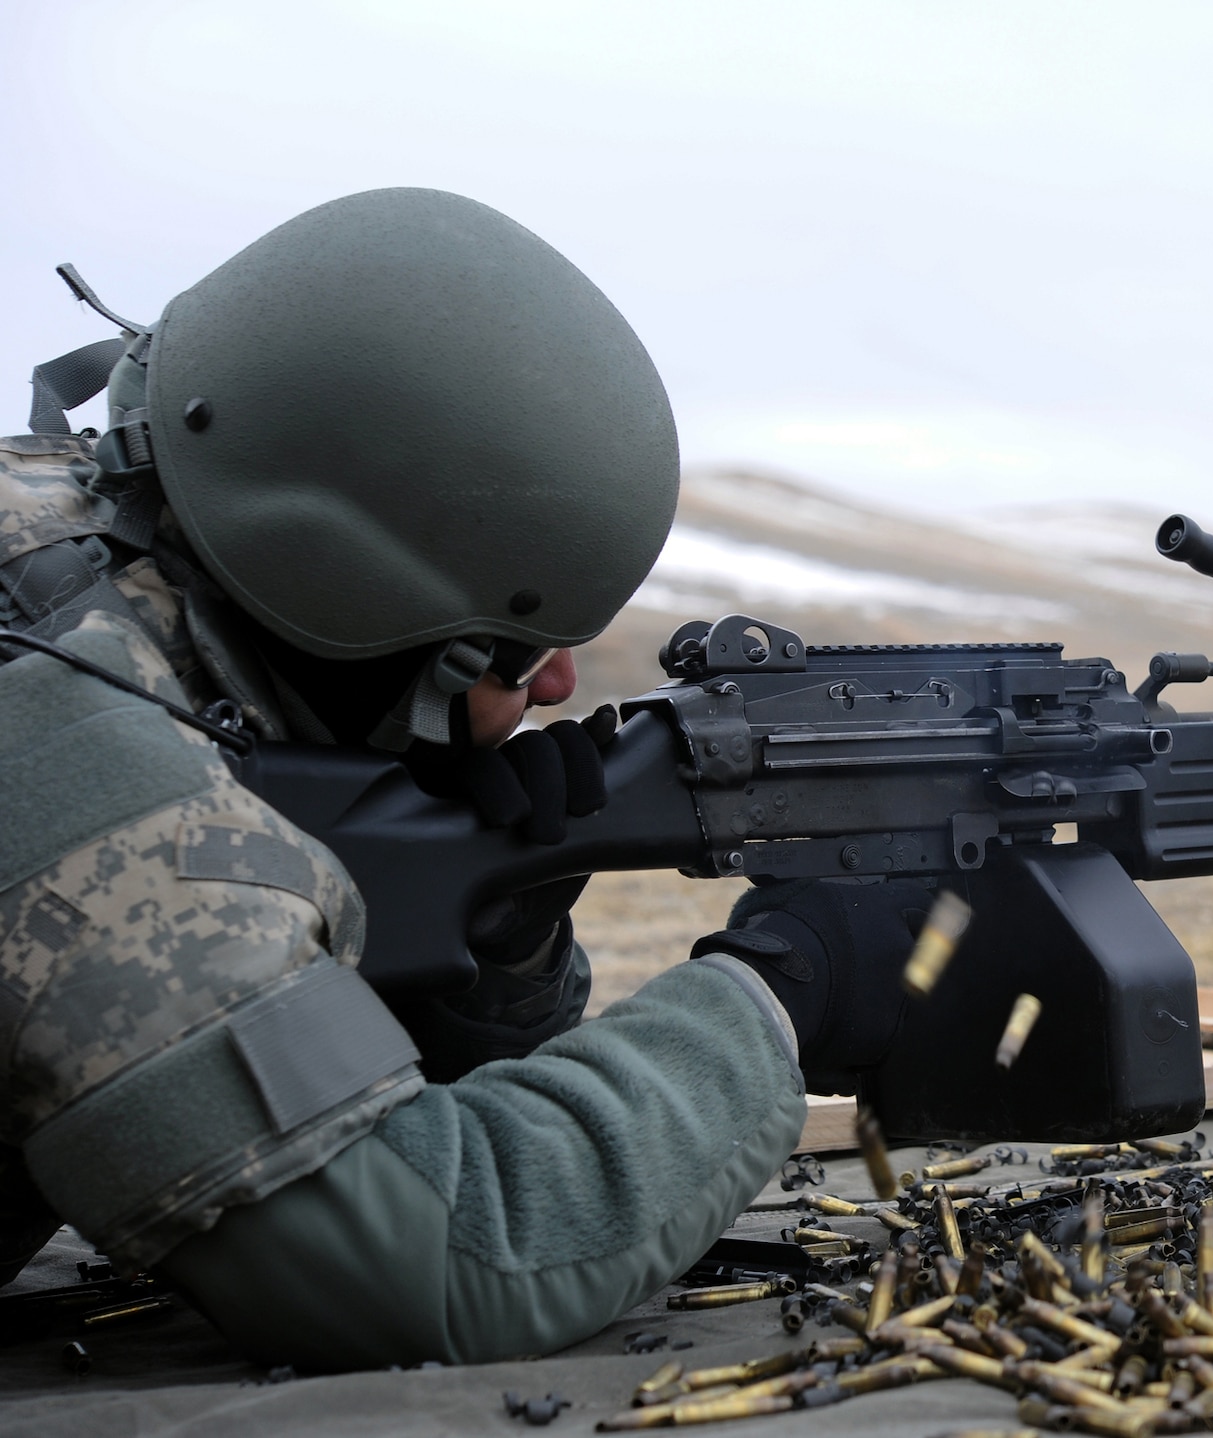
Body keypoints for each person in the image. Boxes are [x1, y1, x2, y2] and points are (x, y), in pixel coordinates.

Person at [0, 188, 913, 1368]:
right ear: (344, 602)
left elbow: (332, 1085)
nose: (555, 688)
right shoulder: (73, 751)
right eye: (512, 650)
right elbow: (439, 1253)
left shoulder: (76, 550)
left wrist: (495, 932)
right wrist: (778, 993)